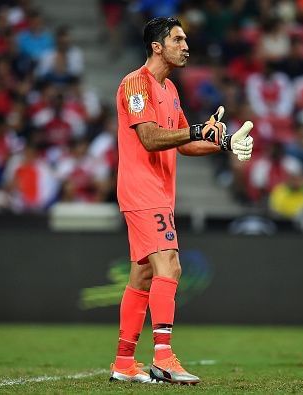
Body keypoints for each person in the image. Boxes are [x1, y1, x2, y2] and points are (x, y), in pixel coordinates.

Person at [110, 17, 253, 384]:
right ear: (157, 46)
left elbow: (186, 142)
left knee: (142, 274)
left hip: (158, 191)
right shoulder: (134, 84)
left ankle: (124, 363)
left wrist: (223, 142)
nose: (186, 45)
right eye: (178, 39)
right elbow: (151, 138)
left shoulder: (170, 90)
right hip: (143, 190)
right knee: (170, 266)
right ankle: (163, 358)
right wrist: (195, 129)